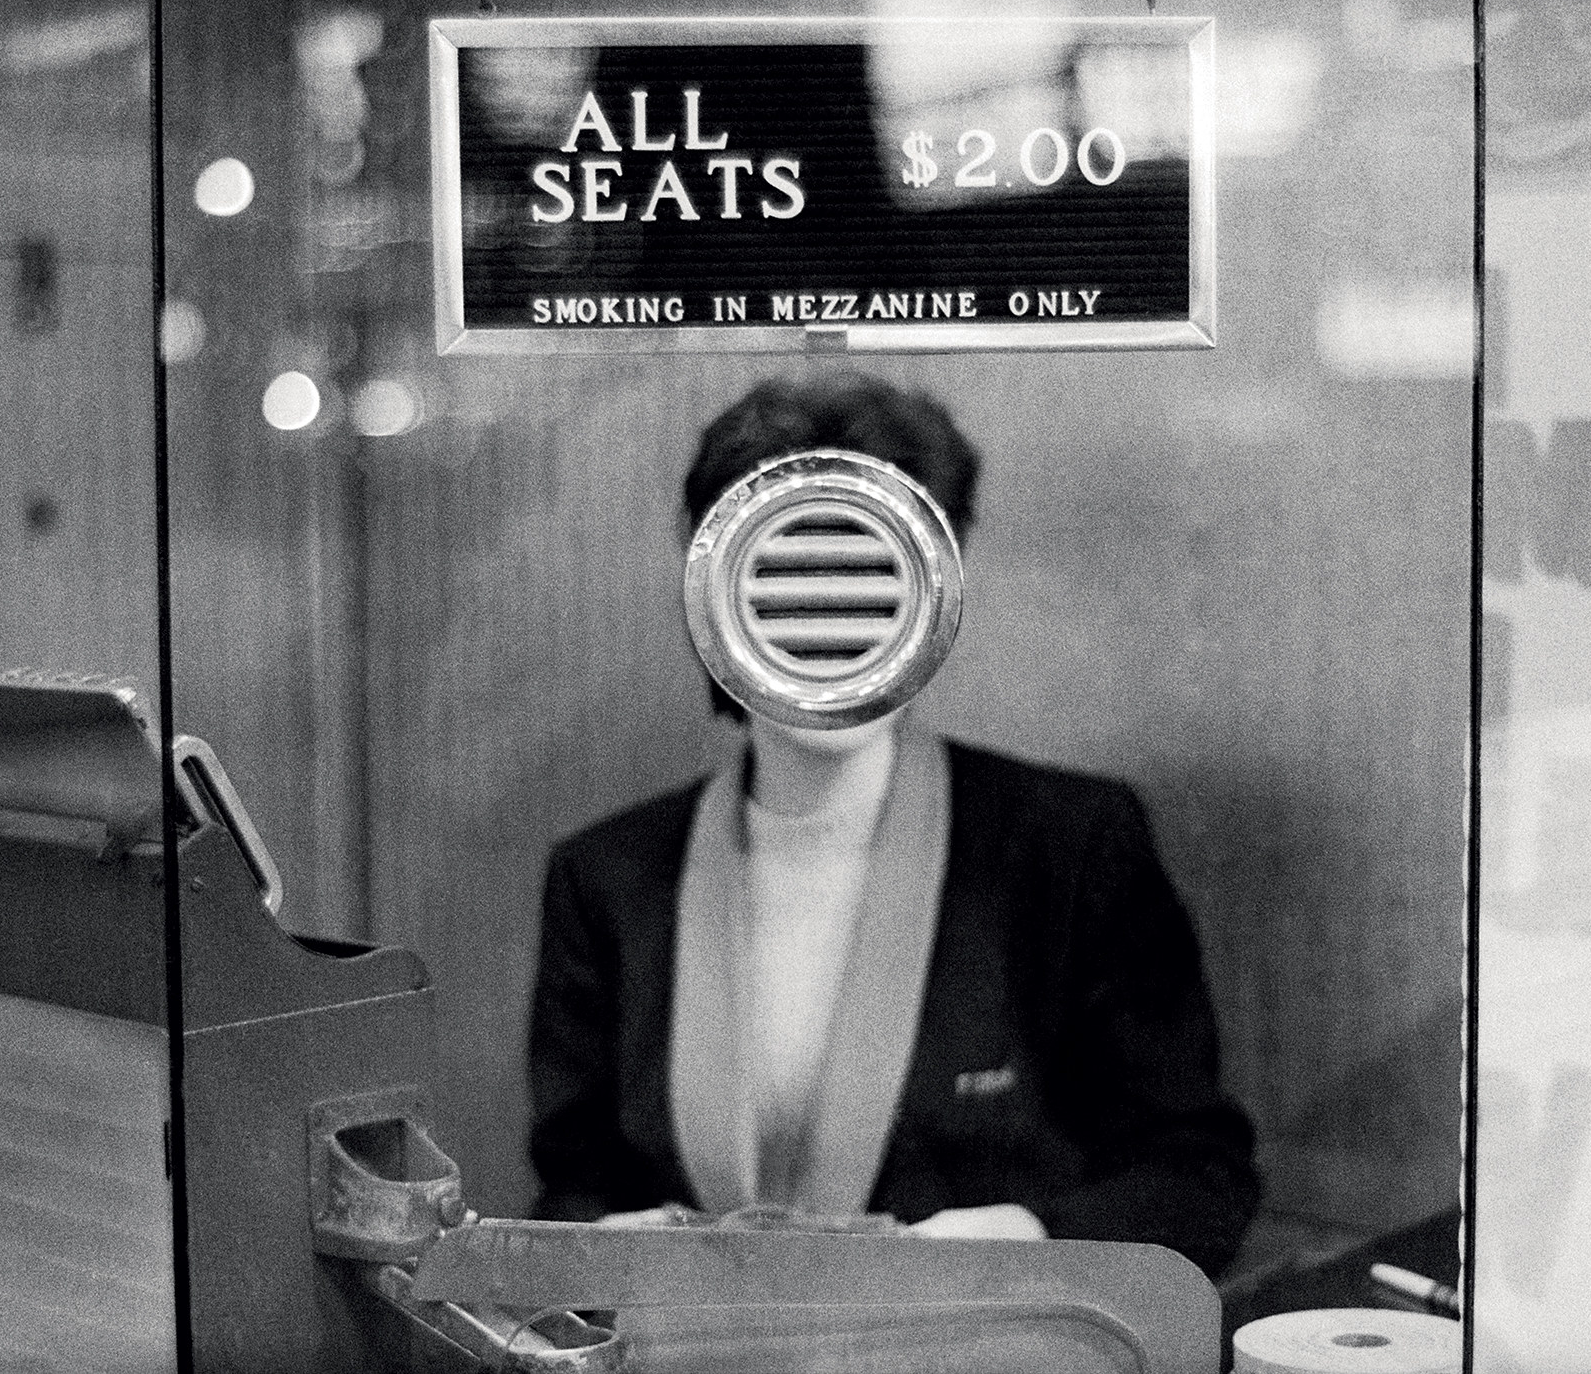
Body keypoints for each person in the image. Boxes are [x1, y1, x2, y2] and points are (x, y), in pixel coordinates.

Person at [525, 373, 1259, 1276]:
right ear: (713, 582)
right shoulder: (606, 877)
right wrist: (595, 1247)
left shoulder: (1068, 849)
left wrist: (1018, 1235)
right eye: (793, 560)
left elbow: (1198, 1182)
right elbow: (572, 1189)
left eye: (876, 564)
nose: (834, 605)